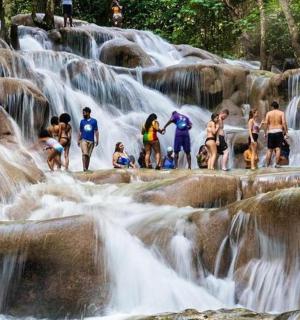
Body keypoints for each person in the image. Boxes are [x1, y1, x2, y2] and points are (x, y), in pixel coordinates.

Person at [264, 101, 288, 167]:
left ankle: (267, 165)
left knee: (269, 149)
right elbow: (284, 123)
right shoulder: (281, 113)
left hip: (271, 131)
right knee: (278, 149)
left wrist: (265, 132)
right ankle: (277, 164)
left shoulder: (268, 113)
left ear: (272, 107)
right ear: (278, 106)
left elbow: (266, 123)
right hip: (279, 131)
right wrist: (286, 132)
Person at [78, 107, 99, 172]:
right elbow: (80, 131)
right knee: (85, 154)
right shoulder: (82, 121)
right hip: (83, 139)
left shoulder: (94, 121)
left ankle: (86, 169)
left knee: (88, 156)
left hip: (91, 140)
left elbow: (96, 131)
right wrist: (78, 140)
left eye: (84, 113)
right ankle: (84, 168)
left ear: (88, 113)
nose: (83, 114)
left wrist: (97, 140)